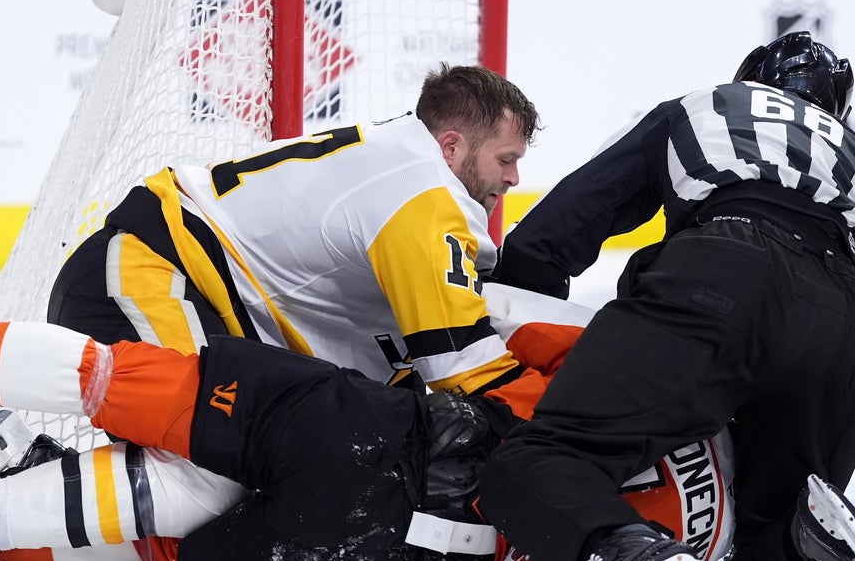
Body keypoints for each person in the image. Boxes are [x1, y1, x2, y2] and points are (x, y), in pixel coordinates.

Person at [0, 290, 734, 561]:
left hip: (376, 436)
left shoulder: (661, 378)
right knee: (168, 545)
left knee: (125, 392)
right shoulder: (713, 520)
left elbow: (516, 330)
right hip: (387, 548)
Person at [479, 31, 855, 561]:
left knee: (533, 463)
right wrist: (836, 420)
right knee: (768, 527)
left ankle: (633, 558)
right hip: (844, 335)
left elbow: (564, 225)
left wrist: (517, 316)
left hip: (725, 270)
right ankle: (811, 550)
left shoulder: (707, 106)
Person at [48, 62, 539, 397]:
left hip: (169, 282)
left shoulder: (401, 160)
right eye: (506, 159)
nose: (513, 178)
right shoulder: (421, 195)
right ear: (451, 146)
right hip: (147, 273)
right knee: (208, 448)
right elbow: (463, 369)